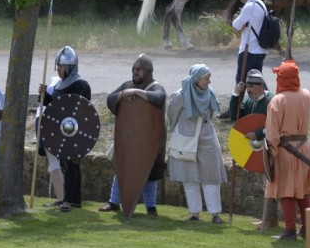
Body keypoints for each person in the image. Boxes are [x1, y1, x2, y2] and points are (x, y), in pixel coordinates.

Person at [97, 54, 166, 216]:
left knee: (151, 174)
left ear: (148, 72)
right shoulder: (126, 85)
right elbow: (110, 99)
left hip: (150, 141)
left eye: (139, 69)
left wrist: (136, 92)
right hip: (129, 140)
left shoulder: (156, 87)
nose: (135, 72)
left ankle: (151, 207)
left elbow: (159, 98)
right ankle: (114, 202)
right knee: (122, 171)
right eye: (134, 69)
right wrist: (123, 94)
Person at [167, 64, 227, 223]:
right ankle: (195, 213)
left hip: (207, 138)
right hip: (186, 141)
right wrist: (183, 131)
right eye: (206, 78)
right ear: (196, 79)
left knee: (211, 176)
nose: (209, 81)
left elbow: (211, 115)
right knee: (190, 177)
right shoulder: (180, 95)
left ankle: (215, 213)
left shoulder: (210, 93)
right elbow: (172, 114)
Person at [264, 61, 310, 242]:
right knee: (303, 190)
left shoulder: (277, 101)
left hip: (285, 151)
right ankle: (309, 229)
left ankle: (290, 230)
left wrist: (272, 153)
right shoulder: (306, 95)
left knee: (287, 191)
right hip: (304, 148)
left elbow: (272, 133)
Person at [37, 46, 91, 213]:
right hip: (63, 130)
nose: (57, 69)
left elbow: (76, 109)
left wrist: (52, 100)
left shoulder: (80, 84)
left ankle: (71, 200)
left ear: (69, 67)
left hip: (73, 130)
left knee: (71, 164)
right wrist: (45, 97)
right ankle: (65, 199)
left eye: (60, 66)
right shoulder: (60, 84)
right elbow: (56, 107)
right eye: (57, 66)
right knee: (63, 163)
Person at [226, 68, 277, 229]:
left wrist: (257, 133)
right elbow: (235, 117)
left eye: (252, 87)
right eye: (247, 87)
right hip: (256, 150)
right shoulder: (249, 101)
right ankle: (269, 219)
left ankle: (269, 220)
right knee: (265, 185)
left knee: (269, 184)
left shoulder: (271, 100)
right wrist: (236, 95)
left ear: (261, 85)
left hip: (271, 148)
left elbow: (274, 125)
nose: (249, 90)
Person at [227, 0, 269, 100]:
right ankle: (266, 105)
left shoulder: (250, 6)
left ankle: (234, 110)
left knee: (241, 81)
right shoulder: (261, 3)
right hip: (260, 49)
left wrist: (241, 24)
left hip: (249, 50)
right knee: (257, 81)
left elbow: (236, 24)